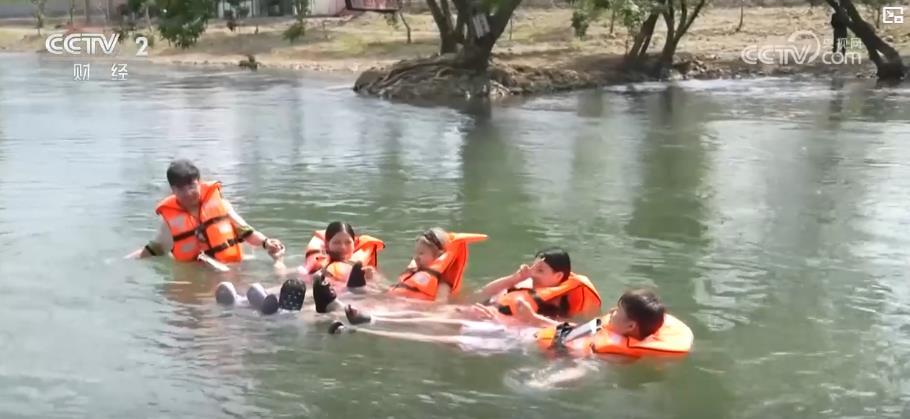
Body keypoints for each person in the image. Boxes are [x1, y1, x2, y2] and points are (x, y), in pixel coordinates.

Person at [330, 288, 693, 360]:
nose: (612, 313)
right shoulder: (607, 329)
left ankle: (361, 329)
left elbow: (581, 364)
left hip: (519, 344)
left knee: (444, 340)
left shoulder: (614, 351)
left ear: (630, 329)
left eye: (619, 314)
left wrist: (547, 381)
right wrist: (529, 318)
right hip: (522, 331)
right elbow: (565, 329)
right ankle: (369, 318)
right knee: (454, 323)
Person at [344, 247, 602, 328]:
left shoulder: (560, 299)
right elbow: (484, 293)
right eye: (533, 267)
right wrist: (514, 278)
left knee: (440, 319)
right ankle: (369, 315)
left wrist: (498, 318)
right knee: (440, 313)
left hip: (500, 326)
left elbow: (551, 327)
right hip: (486, 313)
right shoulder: (526, 283)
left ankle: (372, 320)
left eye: (541, 271)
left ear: (559, 276)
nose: (533, 273)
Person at [126, 159, 285, 265]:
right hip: (199, 273)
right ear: (173, 190)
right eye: (181, 188)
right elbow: (155, 249)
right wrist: (125, 261)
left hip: (231, 267)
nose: (188, 193)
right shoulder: (169, 223)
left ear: (199, 183)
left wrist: (266, 243)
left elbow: (247, 232)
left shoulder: (221, 205)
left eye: (191, 186)